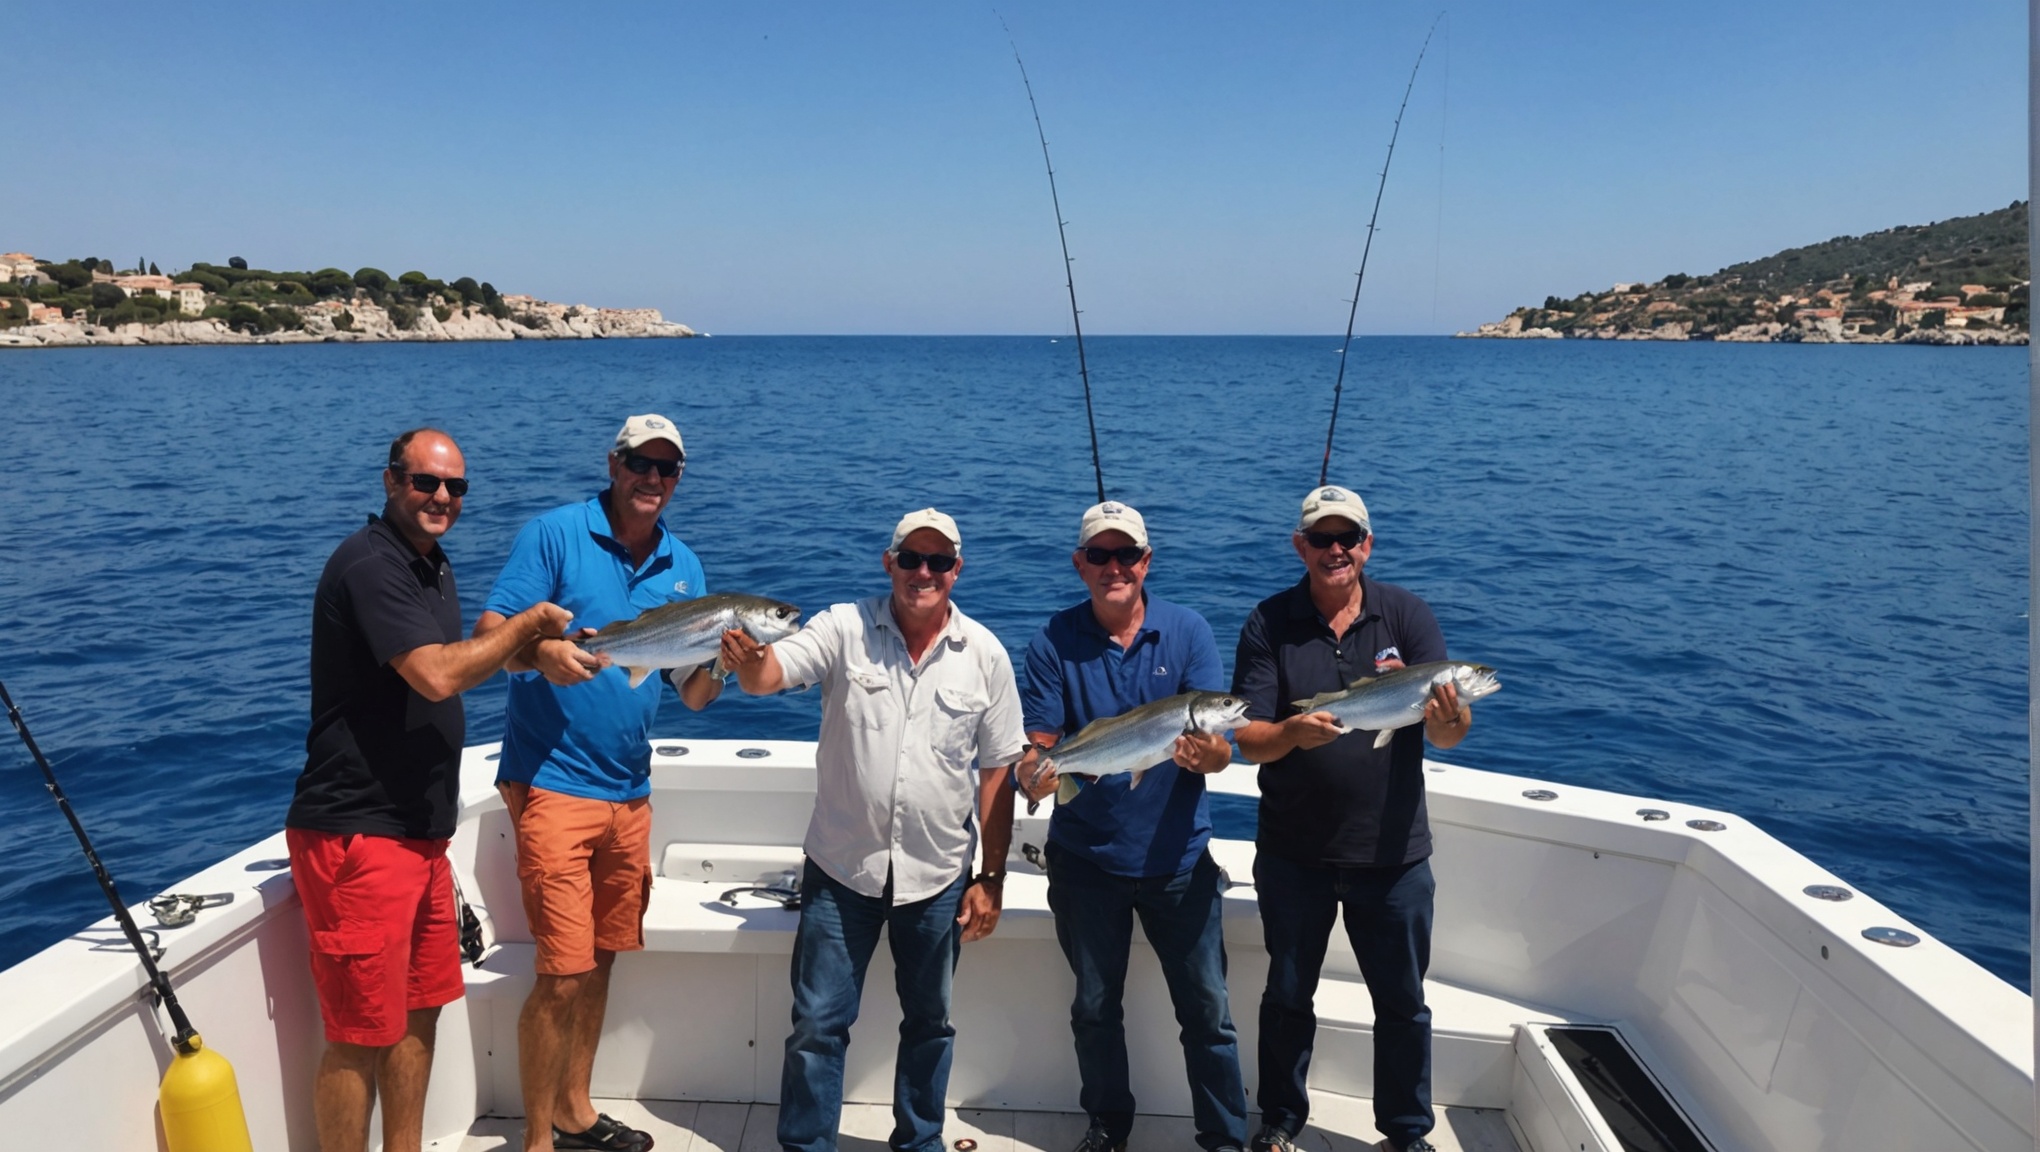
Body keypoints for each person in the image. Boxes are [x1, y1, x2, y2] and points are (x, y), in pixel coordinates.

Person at [287, 428, 572, 1152]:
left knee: (420, 1012)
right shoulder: (371, 565)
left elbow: (465, 665)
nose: (442, 497)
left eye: (456, 487)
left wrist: (531, 650)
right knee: (357, 1035)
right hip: (359, 832)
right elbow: (440, 673)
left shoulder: (430, 566)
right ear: (390, 482)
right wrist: (531, 624)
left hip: (419, 835)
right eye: (425, 483)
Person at [720, 508, 1034, 1152]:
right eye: (912, 559)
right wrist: (748, 665)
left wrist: (991, 877)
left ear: (957, 570)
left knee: (930, 1024)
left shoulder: (986, 654)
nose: (925, 572)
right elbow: (772, 673)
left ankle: (919, 1141)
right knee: (816, 1025)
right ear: (888, 562)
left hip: (940, 875)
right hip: (842, 869)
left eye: (939, 561)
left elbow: (999, 772)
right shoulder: (842, 627)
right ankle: (807, 1146)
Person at [475, 414, 724, 1152]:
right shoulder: (555, 534)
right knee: (561, 970)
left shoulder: (686, 564)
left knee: (603, 957)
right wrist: (543, 650)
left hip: (629, 791)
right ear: (613, 464)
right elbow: (494, 638)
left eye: (667, 469)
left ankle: (575, 1111)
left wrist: (728, 663)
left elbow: (695, 694)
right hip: (553, 782)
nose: (653, 480)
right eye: (640, 465)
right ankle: (536, 1141)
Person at [1231, 485, 1471, 1152]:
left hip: (1393, 857)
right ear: (1299, 546)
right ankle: (1279, 1120)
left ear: (1367, 545)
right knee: (1286, 996)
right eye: (1321, 539)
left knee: (1401, 1003)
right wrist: (1290, 734)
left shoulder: (1406, 616)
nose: (1335, 550)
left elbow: (1450, 735)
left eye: (1348, 538)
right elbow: (1247, 738)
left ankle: (1404, 1134)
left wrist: (1453, 716)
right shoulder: (1268, 621)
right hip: (1293, 853)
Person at [1016, 501, 1250, 1152]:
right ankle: (1108, 1130)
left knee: (1208, 1011)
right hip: (1086, 861)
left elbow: (1222, 746)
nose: (1114, 567)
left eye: (1127, 555)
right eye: (1100, 555)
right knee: (1094, 1008)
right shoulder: (1053, 641)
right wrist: (1033, 774)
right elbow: (1039, 745)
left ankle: (1225, 1139)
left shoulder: (1188, 633)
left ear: (1147, 562)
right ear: (1080, 564)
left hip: (1179, 863)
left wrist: (1214, 752)